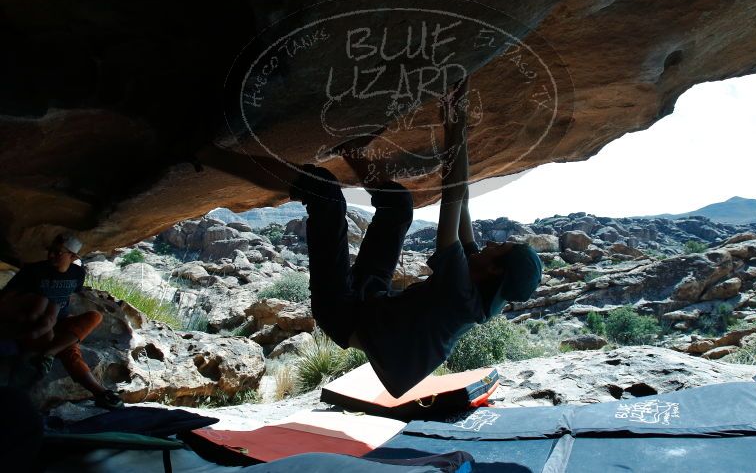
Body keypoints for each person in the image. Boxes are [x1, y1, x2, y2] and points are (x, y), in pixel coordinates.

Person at [198, 76, 542, 397]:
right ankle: (352, 150)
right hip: (372, 295)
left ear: (497, 269)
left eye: (501, 247)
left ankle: (205, 152)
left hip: (344, 314)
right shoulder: (484, 283)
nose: (492, 244)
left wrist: (457, 127)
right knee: (399, 205)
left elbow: (453, 195)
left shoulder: (461, 295)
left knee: (325, 193)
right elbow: (463, 201)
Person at [0, 234, 123, 408]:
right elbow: (7, 298)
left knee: (95, 316)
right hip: (35, 324)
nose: (51, 255)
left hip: (59, 321)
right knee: (69, 348)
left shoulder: (77, 273)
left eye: (58, 252)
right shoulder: (33, 271)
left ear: (73, 257)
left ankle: (48, 353)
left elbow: (71, 298)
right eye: (50, 251)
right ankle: (100, 392)